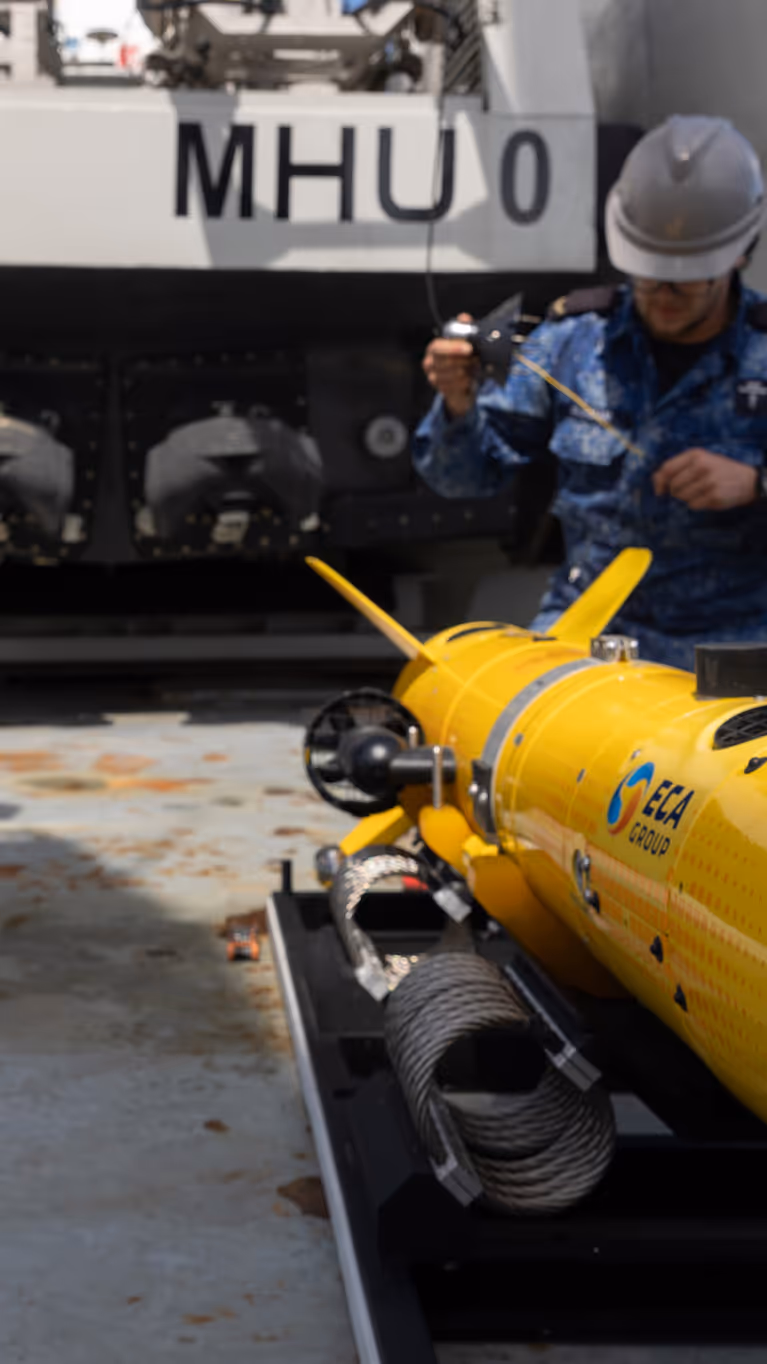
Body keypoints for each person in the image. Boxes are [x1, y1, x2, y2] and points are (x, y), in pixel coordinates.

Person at [413, 115, 767, 670]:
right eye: (647, 273)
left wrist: (755, 484)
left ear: (739, 254)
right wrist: (458, 405)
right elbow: (464, 479)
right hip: (591, 631)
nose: (662, 293)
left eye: (686, 278)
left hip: (736, 642)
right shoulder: (575, 342)